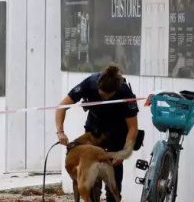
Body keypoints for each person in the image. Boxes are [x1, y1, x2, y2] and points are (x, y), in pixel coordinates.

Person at [55, 64, 139, 202]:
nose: (104, 97)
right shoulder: (89, 83)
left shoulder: (125, 92)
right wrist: (60, 131)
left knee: (114, 188)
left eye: (108, 96)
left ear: (116, 91)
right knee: (92, 187)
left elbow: (133, 128)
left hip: (116, 135)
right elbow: (62, 107)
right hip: (93, 134)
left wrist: (124, 152)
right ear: (98, 86)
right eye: (101, 94)